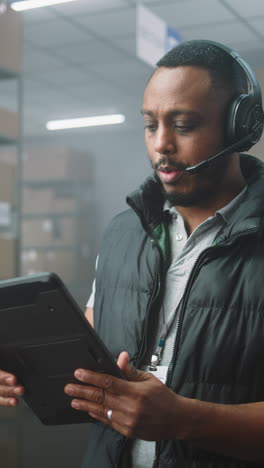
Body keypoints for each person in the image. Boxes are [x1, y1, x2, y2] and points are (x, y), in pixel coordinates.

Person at [1, 40, 264, 468]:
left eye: (184, 126)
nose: (162, 145)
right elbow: (90, 342)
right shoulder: (124, 231)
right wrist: (23, 368)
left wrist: (184, 419)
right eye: (150, 125)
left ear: (239, 129)